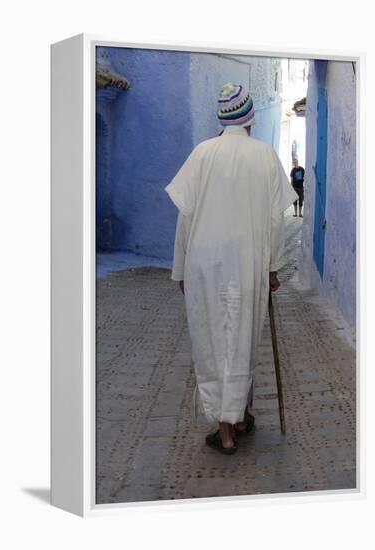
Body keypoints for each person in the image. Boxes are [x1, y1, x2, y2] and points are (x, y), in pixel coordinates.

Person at [165, 83, 298, 454]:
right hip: (247, 262)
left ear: (222, 120)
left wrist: (180, 270)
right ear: (251, 119)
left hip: (204, 264)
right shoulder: (266, 155)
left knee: (210, 340)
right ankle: (234, 419)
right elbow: (276, 220)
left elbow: (185, 218)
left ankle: (229, 424)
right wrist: (273, 268)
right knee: (241, 338)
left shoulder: (202, 153)